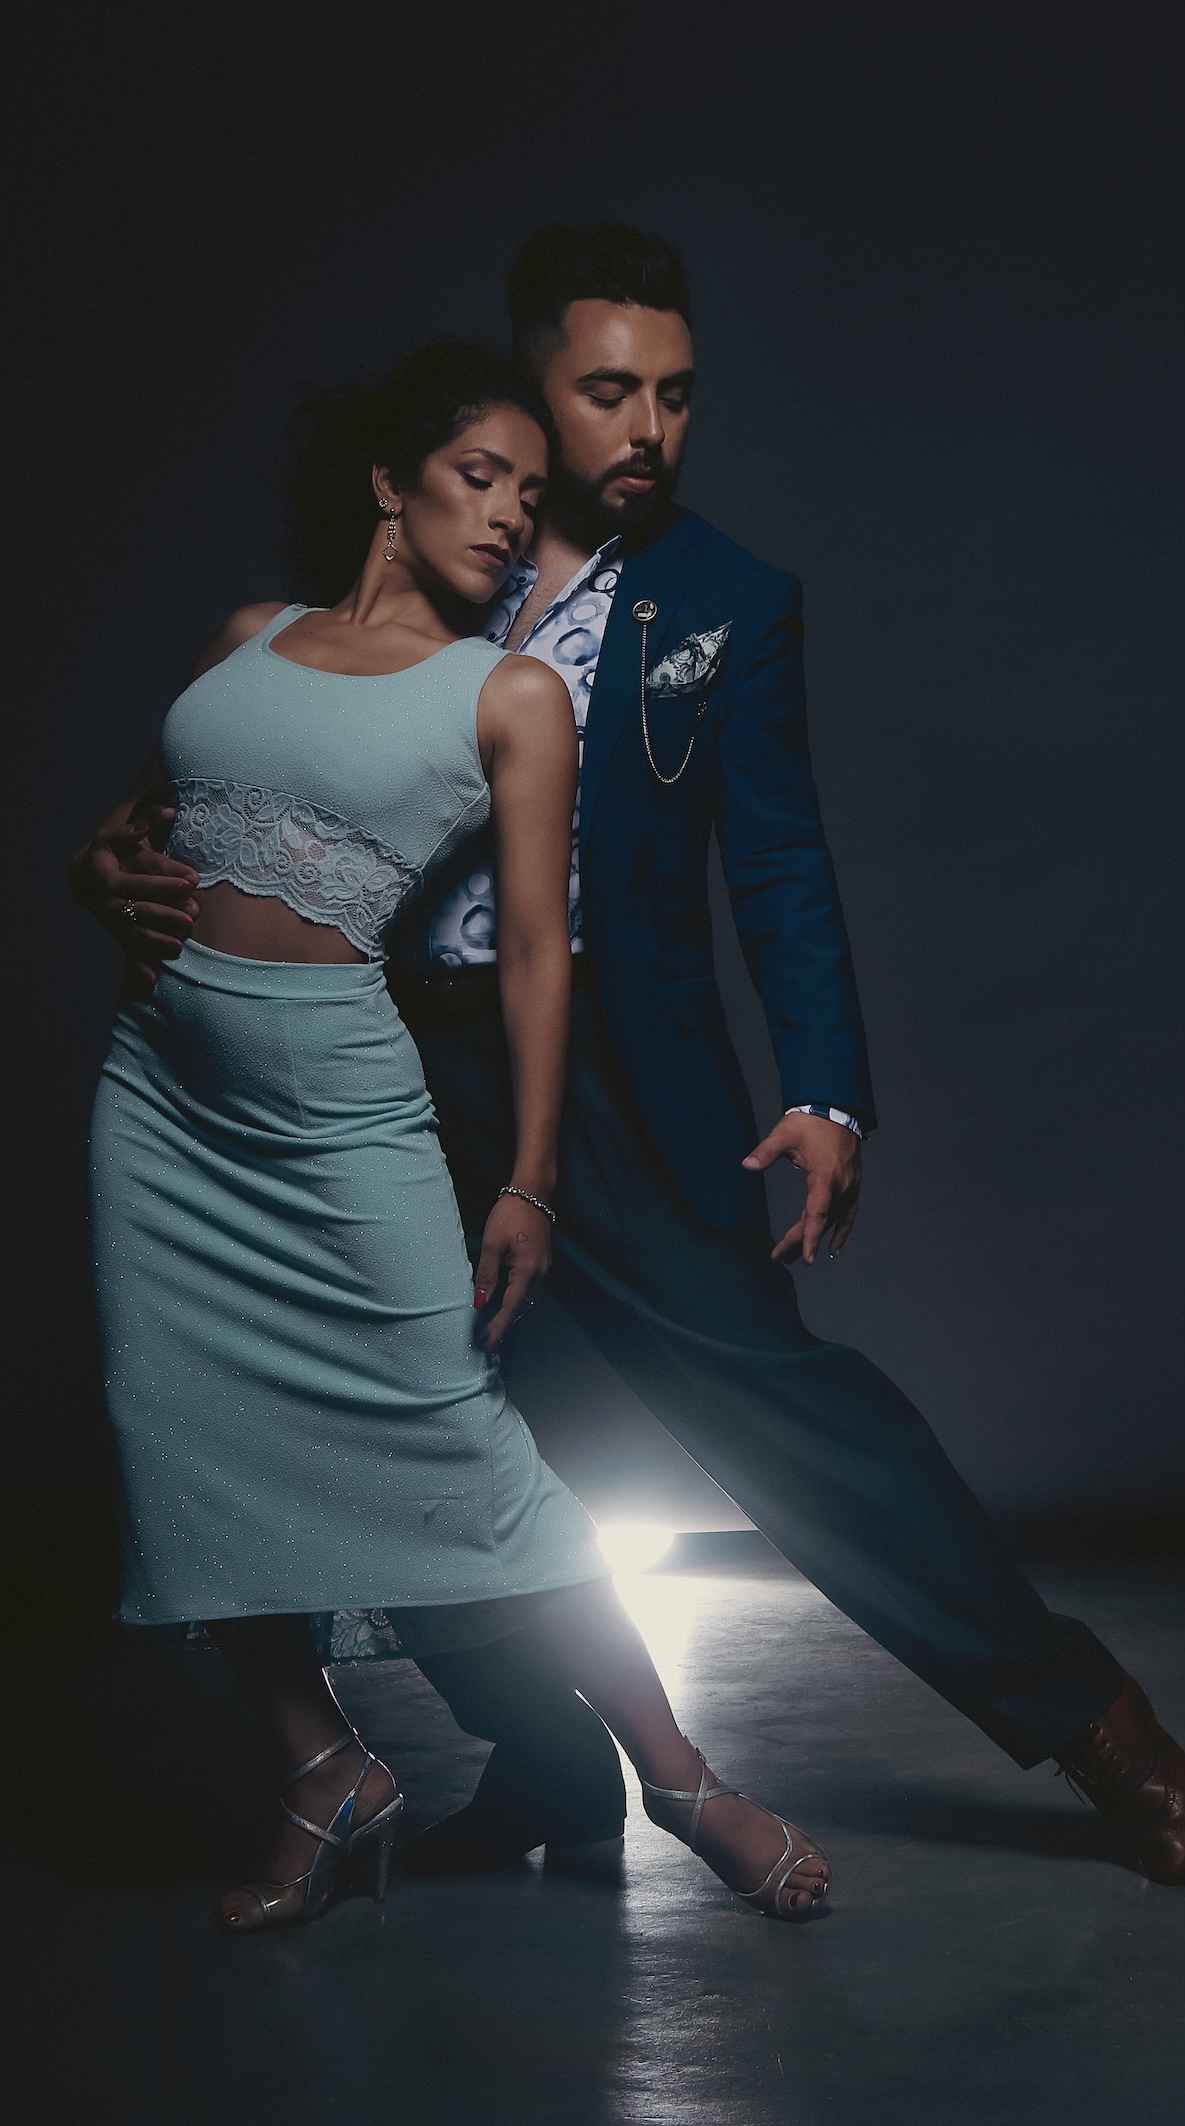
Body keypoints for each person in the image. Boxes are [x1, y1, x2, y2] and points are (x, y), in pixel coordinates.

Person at [74, 226, 1185, 1890]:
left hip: (614, 1073)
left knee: (790, 1416)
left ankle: (1087, 1713)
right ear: (528, 391)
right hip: (385, 1066)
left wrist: (823, 1089)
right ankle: (542, 1764)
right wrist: (120, 861)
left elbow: (779, 860)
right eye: (609, 392)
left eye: (676, 396)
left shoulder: (724, 600)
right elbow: (246, 761)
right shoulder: (410, 539)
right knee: (423, 1432)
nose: (648, 430)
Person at [81, 338, 830, 1930]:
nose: (504, 517)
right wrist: (98, 873)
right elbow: (133, 830)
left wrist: (529, 1178)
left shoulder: (507, 693)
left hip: (338, 1105)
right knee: (179, 1434)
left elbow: (542, 949)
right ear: (388, 480)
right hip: (162, 1097)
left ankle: (678, 1777)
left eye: (526, 496)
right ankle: (320, 1766)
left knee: (473, 1462)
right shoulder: (247, 638)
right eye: (476, 477)